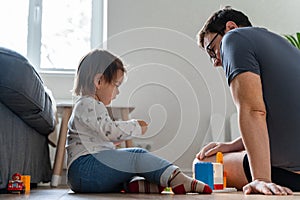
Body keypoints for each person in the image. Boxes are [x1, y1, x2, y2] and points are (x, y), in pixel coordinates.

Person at [66, 49, 212, 194]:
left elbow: (100, 136)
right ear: (99, 81)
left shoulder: (88, 106)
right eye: (116, 85)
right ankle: (176, 178)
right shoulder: (88, 104)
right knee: (137, 156)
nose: (118, 92)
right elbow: (109, 131)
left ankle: (136, 186)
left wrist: (113, 143)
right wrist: (135, 126)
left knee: (125, 168)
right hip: (85, 169)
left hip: (83, 175)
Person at [194, 7, 300, 195]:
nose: (215, 62)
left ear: (230, 27)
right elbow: (283, 120)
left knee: (202, 163)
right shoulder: (285, 46)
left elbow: (254, 111)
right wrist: (232, 145)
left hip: (291, 174)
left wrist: (261, 179)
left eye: (212, 50)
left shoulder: (234, 39)